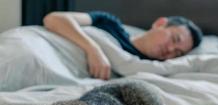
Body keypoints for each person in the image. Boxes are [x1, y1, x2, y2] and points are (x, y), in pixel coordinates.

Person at [43, 11, 203, 80]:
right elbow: (54, 19)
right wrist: (93, 48)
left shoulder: (145, 69)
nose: (169, 50)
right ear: (160, 23)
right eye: (174, 39)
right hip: (45, 44)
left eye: (177, 53)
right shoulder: (109, 23)